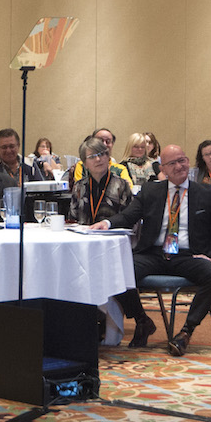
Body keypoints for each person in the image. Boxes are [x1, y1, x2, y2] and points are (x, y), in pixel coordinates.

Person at [91, 144, 211, 356]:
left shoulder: (205, 193)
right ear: (163, 168)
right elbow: (127, 217)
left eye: (183, 160)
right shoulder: (151, 191)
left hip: (189, 255)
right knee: (117, 270)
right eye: (173, 163)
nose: (180, 166)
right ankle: (142, 320)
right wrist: (106, 223)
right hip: (154, 254)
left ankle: (186, 332)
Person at [68, 138, 157, 345]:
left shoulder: (121, 185)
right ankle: (138, 319)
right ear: (84, 162)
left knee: (111, 268)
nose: (99, 159)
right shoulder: (79, 187)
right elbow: (72, 217)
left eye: (102, 154)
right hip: (84, 245)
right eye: (92, 156)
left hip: (114, 245)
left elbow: (130, 219)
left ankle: (131, 320)